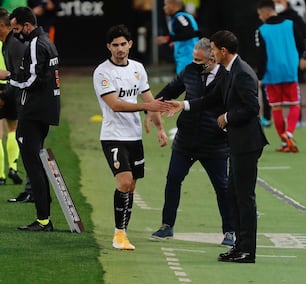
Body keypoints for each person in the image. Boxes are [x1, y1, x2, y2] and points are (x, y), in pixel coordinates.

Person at [166, 30, 269, 263]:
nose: (210, 53)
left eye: (212, 49)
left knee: (244, 197)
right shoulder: (230, 71)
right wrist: (183, 105)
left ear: (223, 50)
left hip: (247, 143)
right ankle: (239, 247)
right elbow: (212, 99)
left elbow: (252, 108)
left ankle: (247, 251)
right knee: (234, 194)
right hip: (237, 142)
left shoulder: (242, 73)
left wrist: (228, 117)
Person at [149, 38, 235, 246]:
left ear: (212, 58)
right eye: (194, 59)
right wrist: (151, 108)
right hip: (185, 140)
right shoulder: (190, 71)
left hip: (214, 143)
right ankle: (166, 225)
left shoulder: (228, 77)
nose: (195, 63)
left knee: (222, 187)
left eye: (199, 60)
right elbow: (169, 91)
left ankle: (230, 231)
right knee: (173, 179)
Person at [93, 24, 169, 250]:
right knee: (124, 182)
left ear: (130, 45)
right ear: (108, 47)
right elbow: (115, 105)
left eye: (123, 44)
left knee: (131, 186)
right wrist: (146, 106)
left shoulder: (137, 68)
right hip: (113, 136)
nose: (119, 49)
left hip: (134, 137)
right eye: (115, 45)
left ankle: (123, 232)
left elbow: (149, 99)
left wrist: (159, 128)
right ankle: (118, 234)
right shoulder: (102, 72)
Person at [7, 6, 60, 231]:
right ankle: (44, 217)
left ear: (27, 26)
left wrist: (10, 79)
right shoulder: (47, 42)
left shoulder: (36, 45)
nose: (16, 32)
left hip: (33, 112)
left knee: (33, 166)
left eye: (17, 28)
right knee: (36, 164)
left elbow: (33, 80)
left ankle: (43, 220)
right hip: (46, 110)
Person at [255, 0, 304, 153]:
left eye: (259, 14)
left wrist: (260, 75)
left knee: (276, 107)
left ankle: (284, 140)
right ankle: (289, 133)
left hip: (272, 73)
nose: (259, 17)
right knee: (294, 105)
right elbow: (301, 44)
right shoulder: (291, 24)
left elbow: (261, 56)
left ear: (265, 12)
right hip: (290, 71)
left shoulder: (261, 30)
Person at [0, 8, 24, 186]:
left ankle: (0, 174)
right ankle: (13, 166)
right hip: (13, 86)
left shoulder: (8, 42)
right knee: (12, 129)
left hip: (5, 84)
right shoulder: (14, 41)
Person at [157, 0, 200, 74]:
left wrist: (168, 39)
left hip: (187, 57)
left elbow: (188, 32)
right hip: (192, 56)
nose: (164, 8)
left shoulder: (180, 17)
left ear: (172, 5)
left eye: (165, 5)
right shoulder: (186, 16)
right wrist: (175, 42)